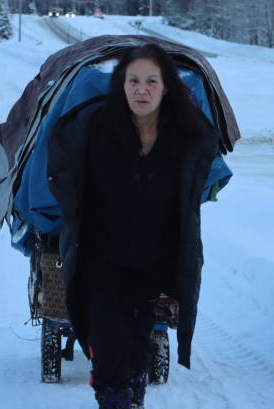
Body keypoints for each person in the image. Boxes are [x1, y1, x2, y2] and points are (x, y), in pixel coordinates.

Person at [47, 43, 220, 409]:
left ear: (166, 87)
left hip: (152, 258)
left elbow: (191, 196)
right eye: (133, 80)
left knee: (139, 336)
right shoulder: (93, 128)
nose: (142, 89)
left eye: (151, 81)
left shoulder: (185, 137)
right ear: (121, 84)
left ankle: (133, 390)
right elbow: (64, 173)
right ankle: (113, 397)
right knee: (108, 337)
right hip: (100, 254)